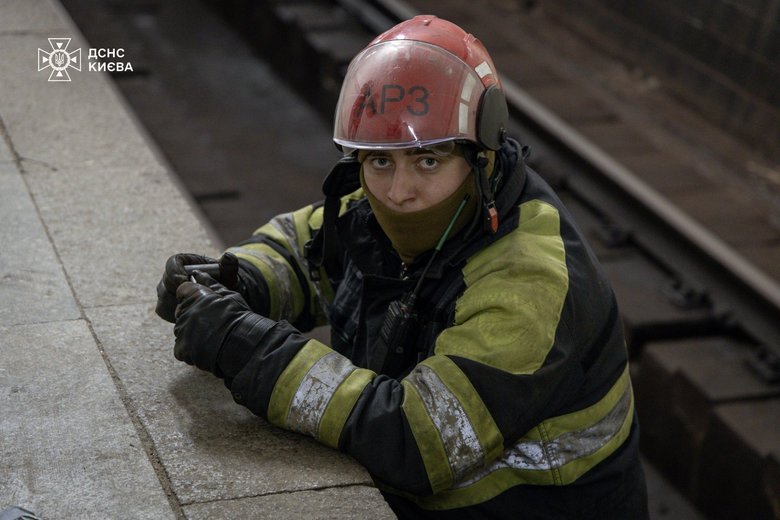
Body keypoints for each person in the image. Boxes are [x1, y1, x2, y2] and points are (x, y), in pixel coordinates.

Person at [155, 15, 648, 519]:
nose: (399, 192)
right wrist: (240, 281)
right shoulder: (386, 211)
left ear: (482, 155)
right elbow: (305, 251)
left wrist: (251, 350)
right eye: (380, 161)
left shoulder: (530, 279)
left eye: (428, 161)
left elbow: (420, 441)